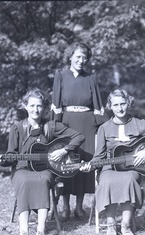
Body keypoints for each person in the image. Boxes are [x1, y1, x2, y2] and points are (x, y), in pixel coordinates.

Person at [0, 89, 84, 235]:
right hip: (21, 169)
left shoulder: (51, 126)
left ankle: (41, 231)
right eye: (32, 106)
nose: (35, 110)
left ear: (44, 108)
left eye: (39, 106)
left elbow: (79, 136)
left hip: (45, 169)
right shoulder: (17, 128)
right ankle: (24, 232)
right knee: (24, 181)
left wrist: (64, 150)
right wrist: (0, 160)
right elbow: (10, 155)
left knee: (42, 181)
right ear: (25, 107)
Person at [81, 89, 145, 235]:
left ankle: (125, 225)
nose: (120, 108)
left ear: (128, 103)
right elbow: (98, 156)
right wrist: (89, 166)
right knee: (106, 181)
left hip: (133, 168)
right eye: (116, 105)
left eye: (123, 104)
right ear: (110, 106)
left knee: (129, 180)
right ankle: (111, 225)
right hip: (109, 167)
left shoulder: (139, 124)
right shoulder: (104, 128)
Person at [51, 42, 107, 220]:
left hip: (87, 124)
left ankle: (79, 207)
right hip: (67, 124)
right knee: (67, 162)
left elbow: (98, 106)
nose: (81, 61)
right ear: (70, 57)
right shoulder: (60, 76)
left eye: (84, 57)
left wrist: (102, 129)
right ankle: (66, 207)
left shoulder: (91, 78)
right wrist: (55, 128)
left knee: (85, 163)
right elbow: (57, 104)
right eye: (78, 57)